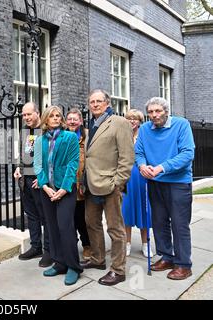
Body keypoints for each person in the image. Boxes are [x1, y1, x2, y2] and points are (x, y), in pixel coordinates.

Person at [135, 97, 195, 280]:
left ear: (166, 111)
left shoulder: (181, 125)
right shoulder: (145, 129)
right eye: (151, 112)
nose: (154, 115)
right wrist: (142, 166)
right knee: (159, 222)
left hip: (178, 183)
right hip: (155, 182)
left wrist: (162, 167)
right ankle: (167, 257)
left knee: (179, 224)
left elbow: (187, 153)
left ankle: (184, 264)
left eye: (158, 111)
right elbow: (139, 152)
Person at [81, 89, 134, 286]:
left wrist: (117, 183)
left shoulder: (119, 123)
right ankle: (98, 259)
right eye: (92, 101)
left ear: (107, 103)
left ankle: (118, 270)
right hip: (90, 185)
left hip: (110, 185)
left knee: (115, 228)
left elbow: (127, 157)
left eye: (98, 101)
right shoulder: (91, 125)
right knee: (91, 223)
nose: (94, 104)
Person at [33, 105, 82, 286]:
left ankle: (73, 266)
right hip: (47, 190)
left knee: (65, 227)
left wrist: (64, 188)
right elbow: (38, 165)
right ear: (45, 119)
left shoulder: (69, 137)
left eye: (57, 115)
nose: (55, 118)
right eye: (51, 116)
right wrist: (45, 187)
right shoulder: (40, 141)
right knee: (52, 226)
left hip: (66, 190)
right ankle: (59, 262)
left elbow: (72, 164)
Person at [13, 102, 52, 268]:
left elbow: (52, 157)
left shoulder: (46, 131)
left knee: (46, 216)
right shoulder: (24, 131)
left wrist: (43, 178)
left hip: (40, 181)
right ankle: (36, 247)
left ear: (37, 113)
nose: (26, 117)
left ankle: (49, 250)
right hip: (25, 180)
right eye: (24, 115)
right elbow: (23, 154)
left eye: (29, 114)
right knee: (31, 215)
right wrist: (18, 168)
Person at [122, 109, 154, 258]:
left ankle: (145, 244)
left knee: (144, 210)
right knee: (126, 211)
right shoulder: (122, 136)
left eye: (135, 118)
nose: (132, 121)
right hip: (126, 177)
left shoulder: (145, 135)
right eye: (129, 118)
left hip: (142, 176)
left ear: (140, 121)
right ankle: (127, 243)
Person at [65, 107, 91, 260]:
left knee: (82, 218)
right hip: (66, 184)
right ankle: (71, 245)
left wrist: (84, 182)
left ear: (80, 121)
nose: (72, 121)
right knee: (69, 218)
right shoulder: (63, 136)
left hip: (82, 184)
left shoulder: (87, 137)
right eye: (70, 119)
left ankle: (87, 245)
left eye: (75, 119)